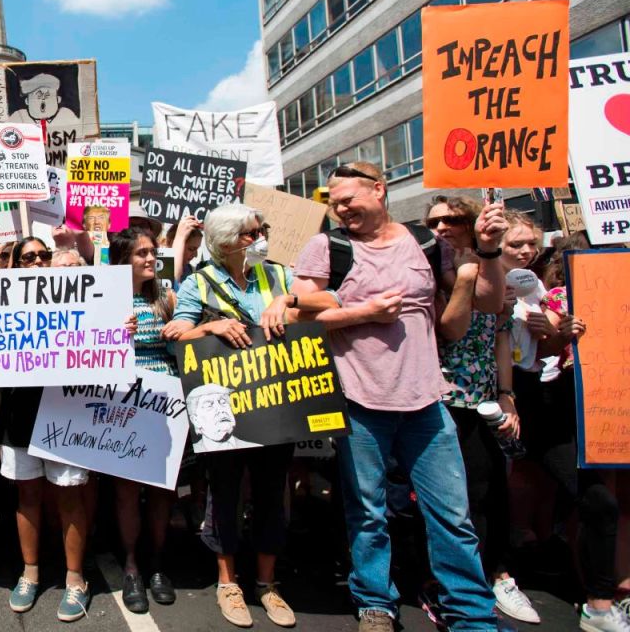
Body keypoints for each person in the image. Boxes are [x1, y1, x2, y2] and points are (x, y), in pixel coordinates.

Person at [289, 161, 506, 632]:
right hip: (360, 402)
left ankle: (471, 613)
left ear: (380, 191)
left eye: (348, 198)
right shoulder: (328, 246)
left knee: (452, 515)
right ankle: (374, 603)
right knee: (368, 513)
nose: (341, 207)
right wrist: (364, 312)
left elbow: (488, 304)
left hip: (427, 402)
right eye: (334, 202)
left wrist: (486, 253)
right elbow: (296, 312)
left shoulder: (427, 244)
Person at [163, 204, 327, 628]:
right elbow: (175, 334)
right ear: (225, 243)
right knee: (225, 492)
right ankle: (228, 581)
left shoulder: (277, 275)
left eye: (260, 231)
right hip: (226, 410)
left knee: (273, 491)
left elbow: (329, 299)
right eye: (251, 234)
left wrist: (289, 301)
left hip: (277, 404)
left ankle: (268, 583)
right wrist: (211, 328)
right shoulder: (200, 283)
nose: (260, 239)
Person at [502, 215, 622, 631]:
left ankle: (600, 603)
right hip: (505, 405)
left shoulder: (540, 296)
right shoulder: (494, 289)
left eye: (529, 244)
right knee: (492, 493)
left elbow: (549, 349)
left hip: (554, 408)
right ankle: (496, 575)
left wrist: (561, 333)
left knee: (596, 501)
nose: (524, 252)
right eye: (515, 244)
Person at [424, 197, 538, 625]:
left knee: (493, 490)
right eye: (433, 221)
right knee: (461, 498)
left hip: (488, 398)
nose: (442, 227)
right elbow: (451, 329)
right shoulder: (429, 271)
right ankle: (450, 586)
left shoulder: (492, 267)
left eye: (452, 219)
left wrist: (507, 393)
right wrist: (464, 278)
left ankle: (495, 576)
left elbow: (501, 333)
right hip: (443, 397)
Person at [0, 236, 94, 622]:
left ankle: (75, 578)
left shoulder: (79, 300)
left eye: (45, 256)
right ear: (14, 264)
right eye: (29, 256)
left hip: (66, 411)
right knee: (27, 496)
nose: (39, 262)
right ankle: (30, 573)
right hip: (20, 415)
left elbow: (100, 341)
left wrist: (118, 326)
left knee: (69, 495)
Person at [104, 227, 182, 615]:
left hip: (166, 402)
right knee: (127, 490)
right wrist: (114, 333)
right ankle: (132, 566)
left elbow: (183, 346)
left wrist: (178, 333)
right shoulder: (104, 297)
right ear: (121, 260)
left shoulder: (167, 296)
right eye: (142, 254)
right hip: (123, 403)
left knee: (162, 490)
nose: (152, 259)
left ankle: (157, 563)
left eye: (153, 252)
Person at [165, 215, 203, 283]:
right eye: (191, 249)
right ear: (171, 243)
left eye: (197, 249)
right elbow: (169, 286)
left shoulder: (191, 271)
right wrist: (180, 237)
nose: (195, 255)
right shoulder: (156, 267)